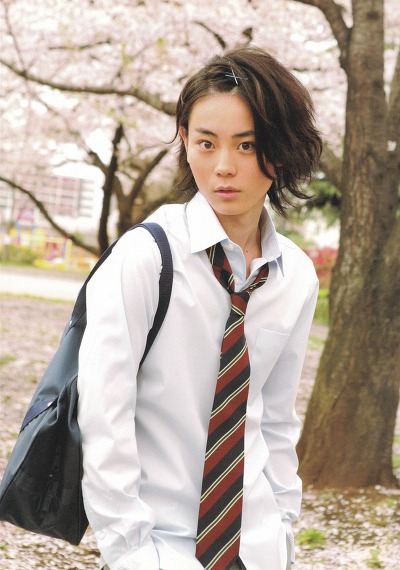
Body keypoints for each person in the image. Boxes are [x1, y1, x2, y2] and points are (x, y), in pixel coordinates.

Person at [77, 46, 322, 570]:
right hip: (158, 549)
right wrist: (131, 553)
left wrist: (282, 527)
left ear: (280, 150)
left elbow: (275, 417)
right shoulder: (145, 257)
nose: (224, 167)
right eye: (206, 144)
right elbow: (103, 416)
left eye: (247, 145)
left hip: (257, 548)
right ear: (186, 142)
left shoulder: (296, 276)